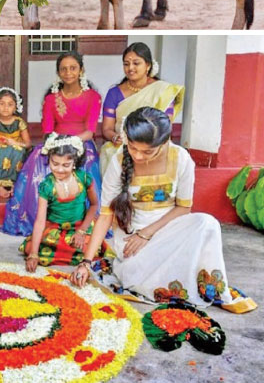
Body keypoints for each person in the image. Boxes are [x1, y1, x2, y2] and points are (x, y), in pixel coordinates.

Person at [72, 107, 255, 312]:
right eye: (133, 148)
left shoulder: (181, 158)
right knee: (140, 278)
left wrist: (147, 233)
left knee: (207, 223)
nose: (138, 156)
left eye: (147, 151)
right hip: (132, 238)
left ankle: (204, 285)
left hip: (168, 227)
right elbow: (106, 215)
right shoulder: (119, 160)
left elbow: (184, 208)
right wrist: (86, 262)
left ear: (165, 141)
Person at [3, 49, 102, 237]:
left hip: (82, 143)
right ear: (58, 73)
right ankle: (37, 219)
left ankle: (82, 220)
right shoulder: (51, 99)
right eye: (63, 69)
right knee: (38, 159)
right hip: (56, 142)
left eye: (73, 68)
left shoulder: (93, 97)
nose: (68, 73)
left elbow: (90, 131)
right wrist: (55, 143)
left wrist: (72, 140)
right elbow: (48, 129)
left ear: (81, 70)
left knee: (86, 162)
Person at [100, 42, 185, 174]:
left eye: (136, 63)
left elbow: (165, 127)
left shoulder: (162, 90)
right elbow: (107, 129)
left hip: (153, 145)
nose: (130, 68)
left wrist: (147, 145)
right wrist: (115, 137)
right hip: (122, 145)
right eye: (126, 64)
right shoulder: (114, 93)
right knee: (111, 155)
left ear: (148, 65)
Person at [22, 135, 99, 270]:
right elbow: (40, 221)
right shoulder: (46, 185)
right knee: (32, 249)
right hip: (55, 229)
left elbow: (94, 205)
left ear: (75, 162)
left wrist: (81, 231)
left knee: (90, 249)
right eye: (55, 164)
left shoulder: (84, 178)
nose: (60, 169)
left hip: (80, 227)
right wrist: (33, 254)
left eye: (66, 165)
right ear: (49, 160)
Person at [0, 86, 32, 199]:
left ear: (15, 107)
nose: (6, 108)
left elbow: (27, 144)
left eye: (10, 104)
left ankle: (13, 183)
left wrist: (15, 143)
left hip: (16, 146)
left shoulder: (19, 122)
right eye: (2, 103)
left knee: (17, 151)